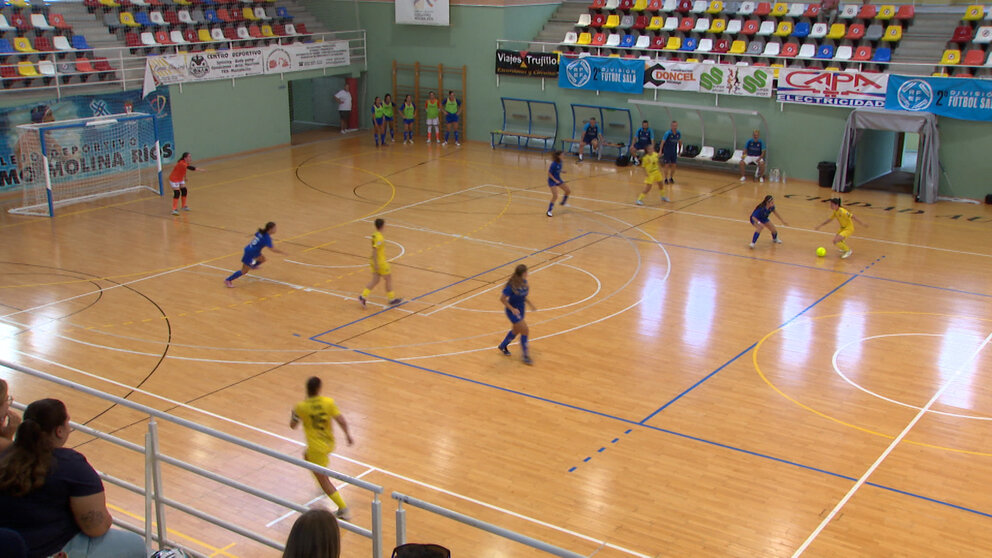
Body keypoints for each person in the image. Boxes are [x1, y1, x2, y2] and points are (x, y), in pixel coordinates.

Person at [0, 398, 147, 558]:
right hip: (51, 550)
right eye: (67, 422)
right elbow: (95, 528)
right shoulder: (70, 464)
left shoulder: (6, 454)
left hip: (9, 546)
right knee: (135, 544)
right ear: (59, 431)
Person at [290, 378, 354, 521]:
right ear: (319, 389)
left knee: (324, 480)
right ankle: (321, 483)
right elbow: (341, 420)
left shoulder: (301, 407)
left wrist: (294, 414)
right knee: (306, 456)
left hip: (317, 448)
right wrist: (348, 435)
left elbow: (292, 426)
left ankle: (343, 509)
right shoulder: (328, 402)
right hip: (329, 443)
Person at [497, 264, 537, 365]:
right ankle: (525, 356)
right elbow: (502, 299)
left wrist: (530, 304)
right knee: (525, 331)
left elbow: (523, 297)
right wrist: (512, 309)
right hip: (513, 312)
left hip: (521, 310)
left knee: (516, 330)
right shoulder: (511, 286)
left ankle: (502, 346)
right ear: (523, 273)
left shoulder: (524, 283)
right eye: (526, 272)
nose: (527, 274)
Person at [224, 222, 284, 287]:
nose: (276, 229)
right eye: (275, 228)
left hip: (254, 251)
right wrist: (282, 252)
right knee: (244, 271)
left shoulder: (261, 232)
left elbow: (256, 234)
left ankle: (252, 265)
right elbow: (273, 249)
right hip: (250, 253)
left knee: (262, 259)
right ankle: (228, 280)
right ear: (270, 229)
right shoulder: (267, 238)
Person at [359, 218, 402, 307]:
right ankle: (391, 299)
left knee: (375, 280)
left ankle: (363, 296)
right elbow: (375, 250)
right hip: (380, 262)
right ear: (382, 226)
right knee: (388, 278)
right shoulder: (379, 237)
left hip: (375, 261)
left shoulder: (375, 234)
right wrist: (376, 264)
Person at [545, 150, 570, 217]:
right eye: (562, 155)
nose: (564, 156)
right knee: (555, 196)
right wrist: (555, 180)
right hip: (552, 181)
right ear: (559, 156)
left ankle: (563, 202)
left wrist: (562, 171)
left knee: (568, 191)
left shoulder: (560, 162)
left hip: (558, 180)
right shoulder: (554, 164)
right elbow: (549, 174)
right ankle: (549, 211)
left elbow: (557, 169)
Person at [0, 379, 21, 452]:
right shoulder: (4, 445)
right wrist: (8, 437)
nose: (8, 404)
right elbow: (7, 459)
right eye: (7, 399)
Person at [660, 120, 682, 185]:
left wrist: (679, 151)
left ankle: (671, 177)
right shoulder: (668, 133)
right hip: (667, 151)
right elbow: (662, 142)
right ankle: (665, 178)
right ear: (671, 126)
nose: (674, 127)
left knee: (674, 165)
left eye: (675, 126)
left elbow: (680, 142)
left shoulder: (678, 133)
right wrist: (660, 150)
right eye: (673, 126)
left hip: (674, 152)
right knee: (666, 165)